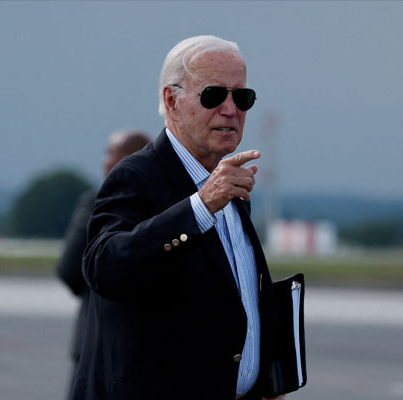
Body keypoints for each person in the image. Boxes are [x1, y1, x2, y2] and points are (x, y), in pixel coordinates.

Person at [71, 35, 284, 400]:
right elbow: (104, 267)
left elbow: (237, 299)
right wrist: (199, 206)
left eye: (242, 97)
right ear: (172, 100)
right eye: (214, 95)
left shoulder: (228, 185)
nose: (231, 110)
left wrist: (264, 378)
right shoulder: (137, 175)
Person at [56, 129, 150, 399]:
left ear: (127, 159)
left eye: (111, 153)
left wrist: (94, 288)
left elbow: (68, 269)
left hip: (93, 340)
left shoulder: (97, 202)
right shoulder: (166, 207)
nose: (105, 162)